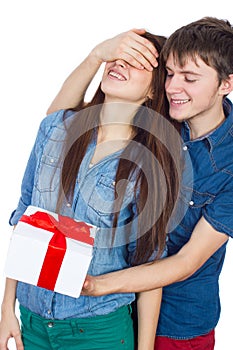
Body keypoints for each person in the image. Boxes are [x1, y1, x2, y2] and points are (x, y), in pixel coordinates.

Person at [44, 17, 233, 349]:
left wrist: (98, 285)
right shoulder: (159, 114)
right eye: (170, 74)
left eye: (189, 78)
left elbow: (186, 261)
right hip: (115, 313)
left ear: (225, 84)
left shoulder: (228, 164)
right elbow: (55, 130)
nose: (173, 87)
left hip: (176, 323)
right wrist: (94, 58)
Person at [0, 30, 182, 350]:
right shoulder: (56, 129)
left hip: (99, 329)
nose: (120, 64)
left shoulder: (148, 166)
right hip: (33, 321)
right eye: (118, 56)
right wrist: (7, 309)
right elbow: (25, 216)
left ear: (155, 90)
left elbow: (150, 266)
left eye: (136, 62)